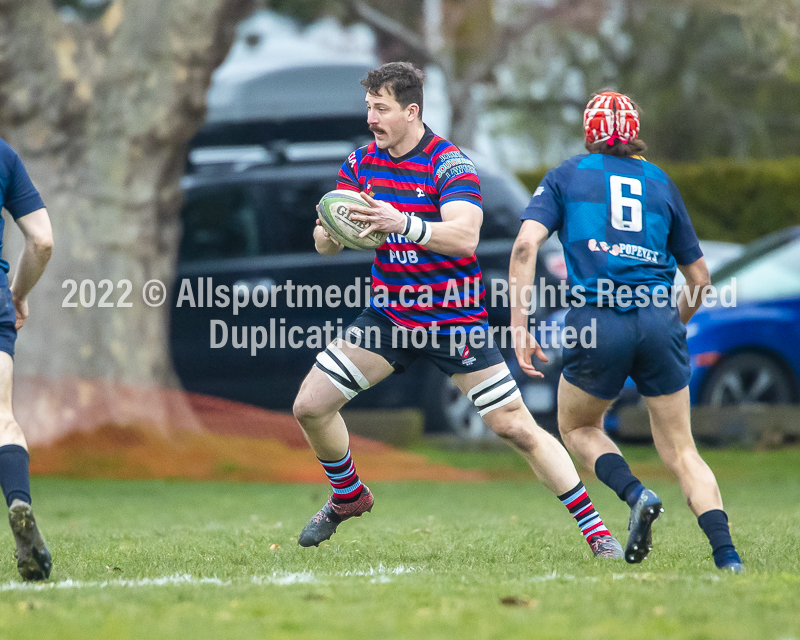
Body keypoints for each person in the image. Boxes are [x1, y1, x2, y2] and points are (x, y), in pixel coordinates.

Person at [292, 62, 623, 559]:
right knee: (310, 406)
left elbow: (464, 235)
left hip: (453, 319)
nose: (371, 119)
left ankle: (597, 532)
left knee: (516, 427)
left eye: (380, 109)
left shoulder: (450, 164)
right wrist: (335, 229)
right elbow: (325, 245)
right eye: (368, 108)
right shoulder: (361, 164)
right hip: (391, 316)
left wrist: (400, 222)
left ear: (411, 111)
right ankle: (348, 495)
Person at [509, 90, 743, 572]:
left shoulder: (567, 175)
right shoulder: (660, 181)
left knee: (576, 427)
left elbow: (524, 246)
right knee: (682, 450)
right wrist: (668, 328)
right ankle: (728, 557)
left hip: (599, 320)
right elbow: (700, 279)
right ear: (635, 132)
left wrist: (520, 325)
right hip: (659, 316)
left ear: (589, 132)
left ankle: (635, 494)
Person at [0, 138, 54, 580]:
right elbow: (41, 241)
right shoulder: (4, 155)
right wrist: (17, 293)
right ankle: (19, 501)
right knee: (2, 418)